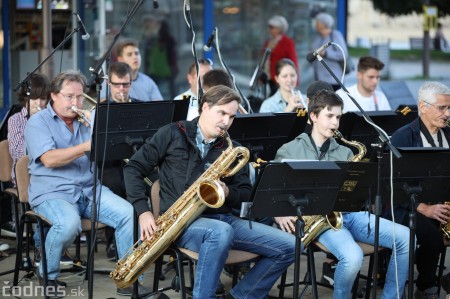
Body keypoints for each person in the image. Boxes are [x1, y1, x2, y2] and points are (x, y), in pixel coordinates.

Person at [124, 85, 296, 299]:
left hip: (224, 221)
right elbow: (133, 168)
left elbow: (244, 192)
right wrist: (143, 211)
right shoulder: (172, 133)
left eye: (232, 116)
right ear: (205, 107)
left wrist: (227, 192)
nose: (226, 121)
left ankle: (240, 296)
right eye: (221, 113)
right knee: (220, 232)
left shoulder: (232, 148)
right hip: (180, 224)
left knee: (290, 246)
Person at [274, 90, 410, 299]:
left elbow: (355, 193)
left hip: (349, 215)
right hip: (319, 220)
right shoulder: (289, 150)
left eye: (338, 117)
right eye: (329, 116)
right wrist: (279, 214)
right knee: (353, 257)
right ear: (313, 116)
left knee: (406, 237)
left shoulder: (345, 152)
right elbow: (272, 190)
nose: (335, 123)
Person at [24, 70, 145, 297]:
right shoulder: (37, 122)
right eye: (69, 96)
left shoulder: (86, 120)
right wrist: (86, 145)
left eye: (79, 97)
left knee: (128, 212)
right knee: (68, 225)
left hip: (89, 189)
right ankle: (47, 273)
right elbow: (49, 159)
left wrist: (100, 129)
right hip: (53, 192)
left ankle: (128, 278)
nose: (76, 102)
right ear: (53, 95)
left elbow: (112, 151)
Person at [390, 81, 450, 299]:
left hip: (442, 205)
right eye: (442, 108)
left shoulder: (448, 133)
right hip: (407, 207)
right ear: (423, 107)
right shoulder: (403, 137)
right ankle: (425, 286)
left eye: (449, 108)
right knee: (432, 237)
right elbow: (392, 185)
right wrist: (423, 207)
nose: (447, 113)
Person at [311, 12, 349, 91]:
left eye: (317, 22)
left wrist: (326, 54)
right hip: (319, 79)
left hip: (333, 79)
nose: (315, 24)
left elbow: (343, 54)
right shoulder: (318, 37)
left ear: (323, 24)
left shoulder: (336, 35)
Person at [263, 15, 298, 96]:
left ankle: (287, 109)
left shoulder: (288, 42)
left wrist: (295, 79)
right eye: (269, 27)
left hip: (283, 75)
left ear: (279, 28)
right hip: (270, 76)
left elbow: (293, 61)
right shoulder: (268, 42)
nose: (270, 29)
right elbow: (263, 58)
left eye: (272, 27)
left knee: (284, 96)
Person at [146, 20, 179, 99]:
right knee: (171, 89)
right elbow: (173, 55)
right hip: (166, 68)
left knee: (154, 88)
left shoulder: (155, 40)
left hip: (157, 69)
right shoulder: (169, 40)